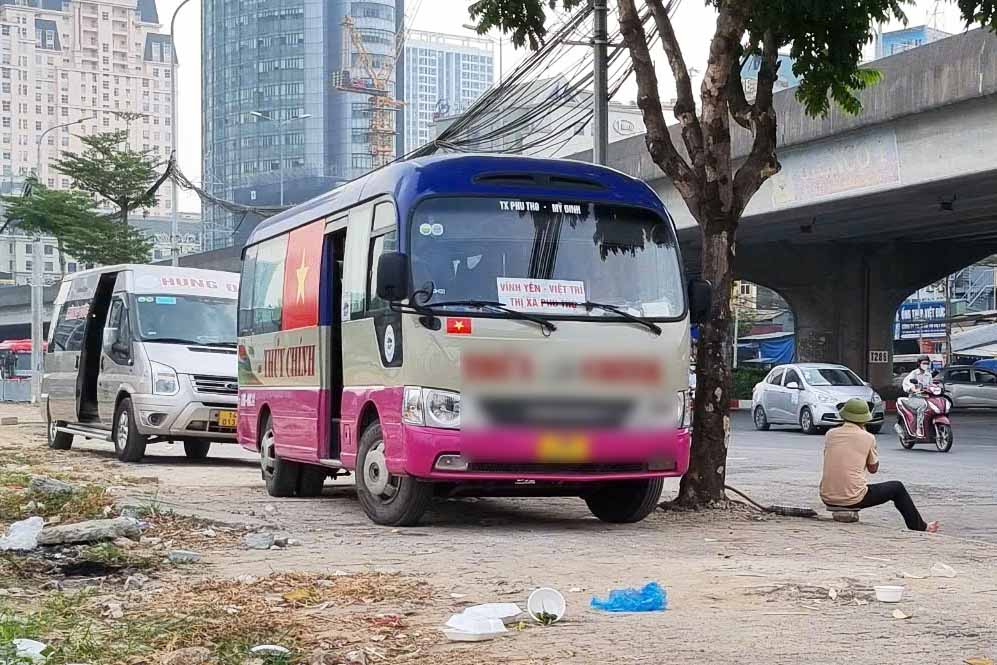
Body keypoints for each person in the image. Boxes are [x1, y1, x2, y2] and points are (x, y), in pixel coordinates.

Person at [820, 398, 939, 532]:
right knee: (897, 487)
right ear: (864, 419)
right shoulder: (867, 437)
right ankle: (920, 527)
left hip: (827, 496)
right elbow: (873, 468)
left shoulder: (830, 434)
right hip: (852, 498)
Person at [901, 355, 934, 437]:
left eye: (927, 363)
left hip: (926, 397)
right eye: (924, 363)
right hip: (915, 397)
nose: (925, 365)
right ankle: (919, 428)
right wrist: (913, 388)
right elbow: (906, 383)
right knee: (922, 407)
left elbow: (931, 385)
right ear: (919, 364)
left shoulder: (928, 375)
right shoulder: (914, 374)